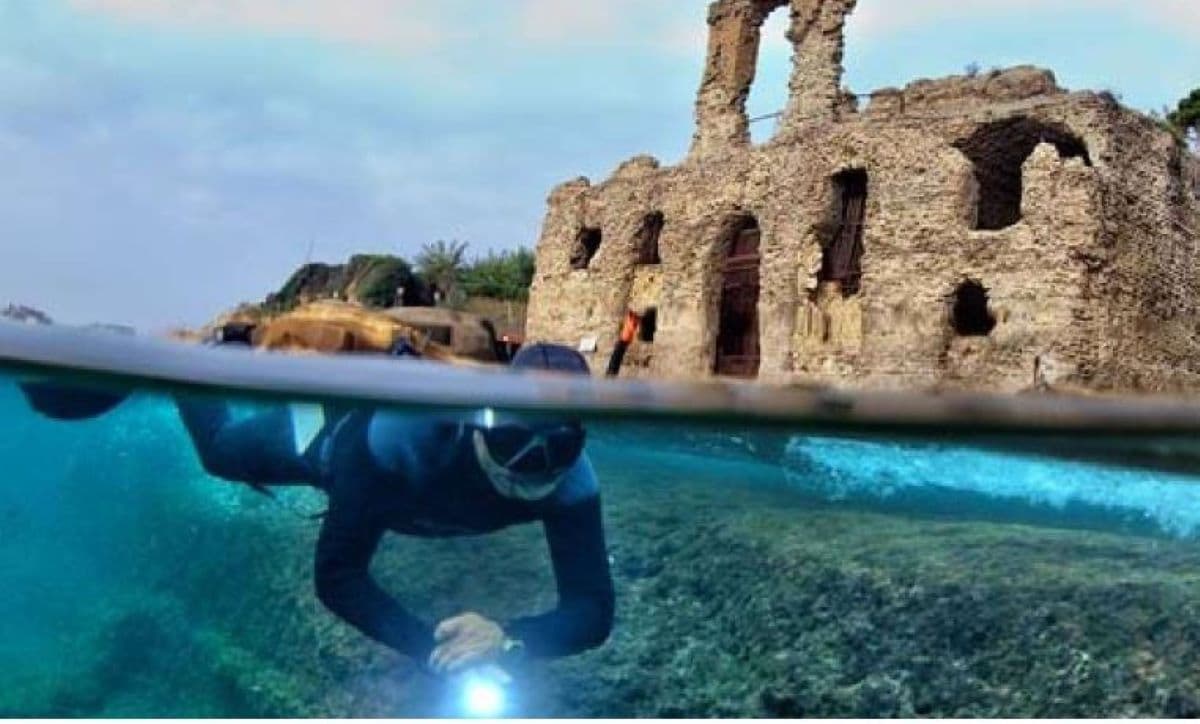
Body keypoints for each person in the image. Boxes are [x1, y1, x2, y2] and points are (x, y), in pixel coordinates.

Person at [19, 342, 615, 675]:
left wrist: (506, 638)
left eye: (558, 447)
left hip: (387, 475)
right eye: (515, 441)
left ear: (581, 439)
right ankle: (181, 363)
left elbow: (592, 610)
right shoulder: (400, 443)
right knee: (223, 455)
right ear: (482, 417)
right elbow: (337, 577)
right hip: (331, 437)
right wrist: (428, 648)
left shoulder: (572, 485)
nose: (531, 465)